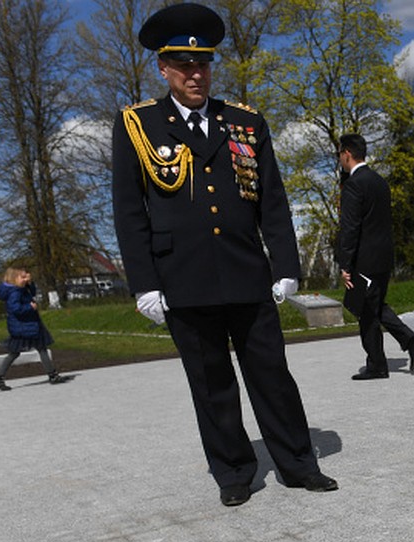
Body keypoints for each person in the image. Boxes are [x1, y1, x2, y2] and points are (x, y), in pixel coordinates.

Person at [112, 2, 336, 507]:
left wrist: (285, 265)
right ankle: (234, 472)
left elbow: (272, 200)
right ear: (163, 68)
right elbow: (129, 211)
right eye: (184, 65)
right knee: (211, 384)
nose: (196, 73)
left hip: (245, 271)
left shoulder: (245, 122)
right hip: (182, 278)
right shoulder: (138, 125)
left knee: (272, 375)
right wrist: (144, 282)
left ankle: (299, 463)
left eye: (203, 64)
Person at [334, 133, 414, 379]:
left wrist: (345, 264)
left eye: (340, 154)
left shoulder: (354, 184)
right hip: (383, 258)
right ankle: (409, 341)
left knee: (365, 310)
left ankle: (378, 364)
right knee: (374, 306)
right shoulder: (379, 181)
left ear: (347, 154)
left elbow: (351, 228)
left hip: (364, 260)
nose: (340, 159)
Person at [0, 267, 74, 390]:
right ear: (14, 279)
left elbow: (33, 292)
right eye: (23, 277)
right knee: (16, 352)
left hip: (30, 325)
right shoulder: (15, 292)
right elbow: (15, 309)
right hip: (23, 327)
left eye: (27, 276)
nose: (26, 279)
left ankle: (52, 375)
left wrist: (30, 283)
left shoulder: (21, 288)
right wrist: (30, 307)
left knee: (40, 349)